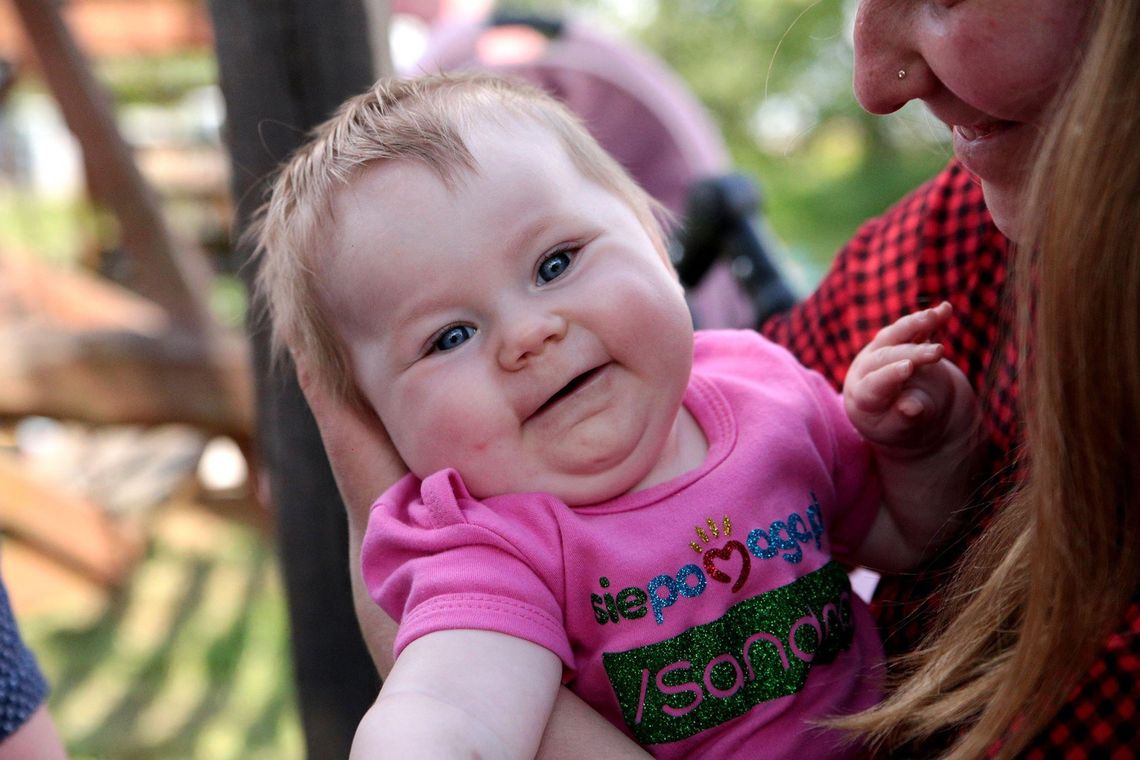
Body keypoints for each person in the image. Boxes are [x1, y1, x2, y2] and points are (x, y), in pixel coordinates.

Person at [287, 0, 1138, 757]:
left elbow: (900, 537)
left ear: (660, 247)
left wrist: (923, 452)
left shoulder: (764, 390)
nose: (529, 335)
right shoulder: (493, 544)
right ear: (381, 423)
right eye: (451, 335)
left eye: (554, 263)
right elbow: (451, 706)